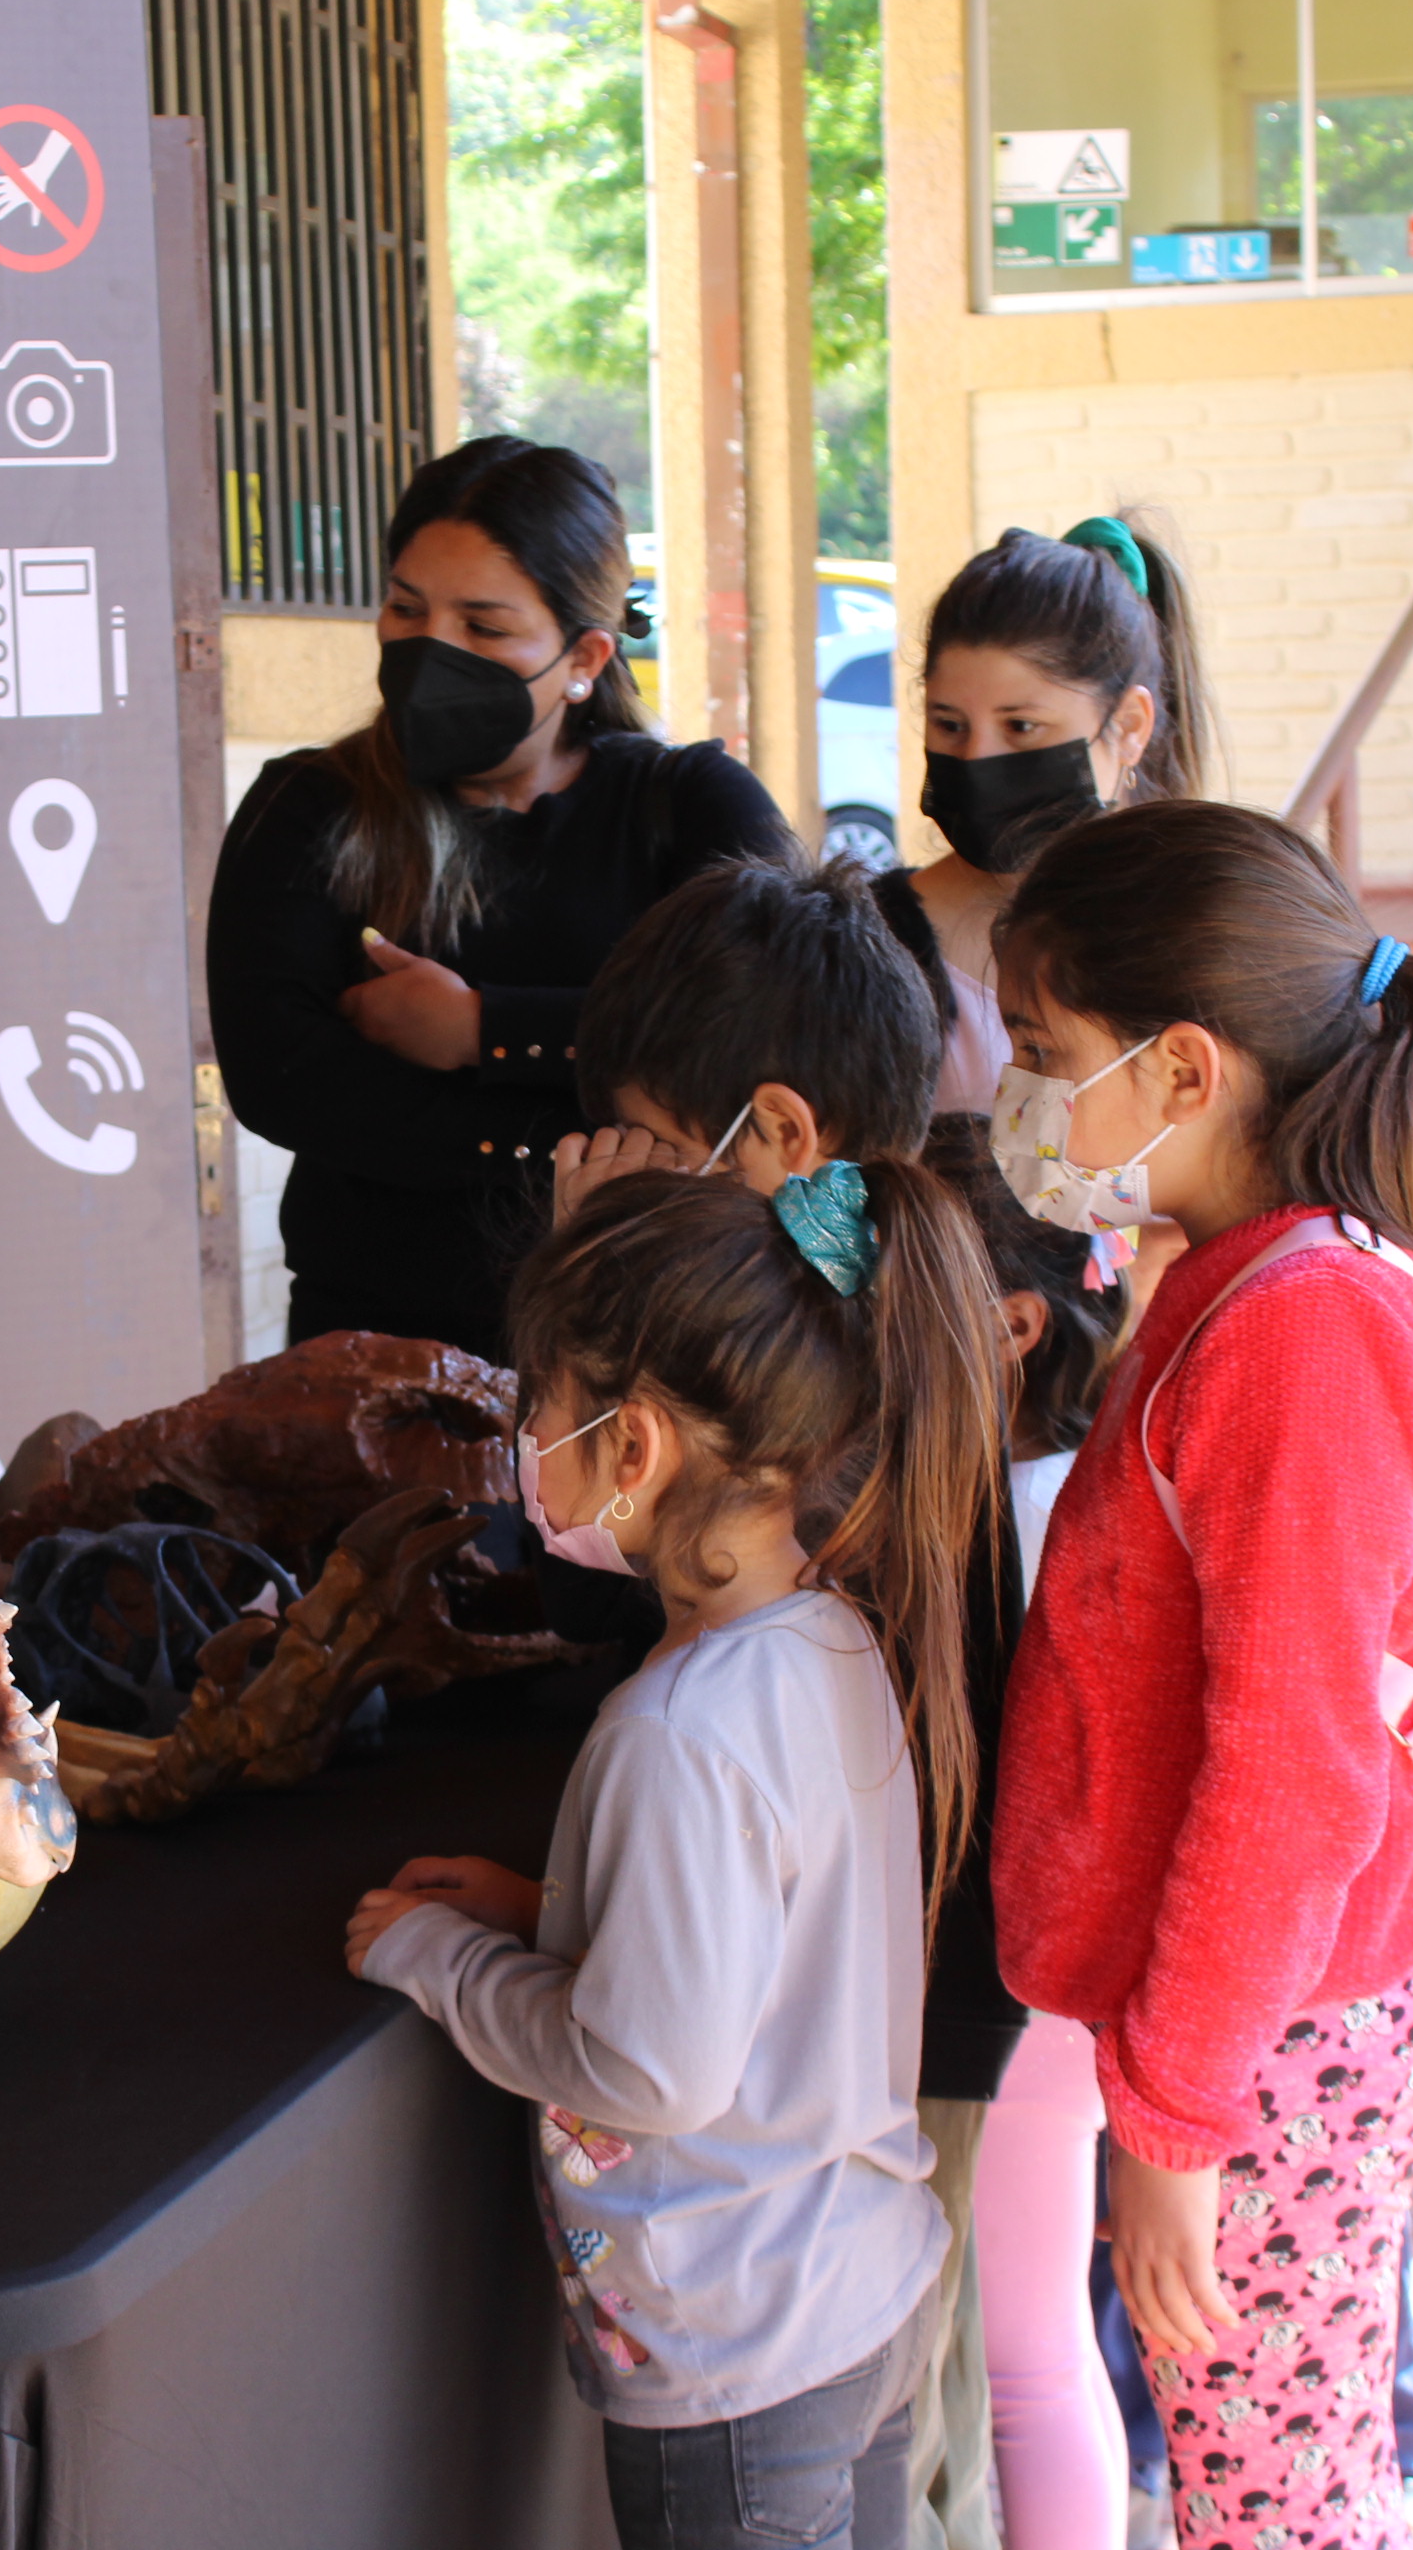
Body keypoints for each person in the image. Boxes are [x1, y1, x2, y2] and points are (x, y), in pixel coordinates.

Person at [987, 796, 1413, 2550]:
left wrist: (1173, 2120)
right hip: (1279, 2027)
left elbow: (1291, 1773)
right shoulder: (1265, 1281)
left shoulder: (1298, 1332)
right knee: (1289, 2477)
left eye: (1037, 1051)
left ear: (1177, 1072)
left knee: (1276, 2506)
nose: (1014, 1094)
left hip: (1277, 2047)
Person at [346, 1156, 1006, 2550]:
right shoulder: (832, 1641)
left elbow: (650, 2071)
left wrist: (442, 1960)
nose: (526, 1438)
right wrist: (554, 1913)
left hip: (740, 2371)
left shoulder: (672, 1731)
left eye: (543, 1404)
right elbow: (775, 1942)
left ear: (632, 1450)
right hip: (864, 2297)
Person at [567, 861, 1021, 2544]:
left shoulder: (810, 1392)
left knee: (913, 2457)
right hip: (883, 2023)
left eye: (631, 1148)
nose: (609, 1184)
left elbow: (609, 1572)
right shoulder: (893, 1309)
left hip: (879, 2047)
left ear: (765, 1135)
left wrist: (592, 1297)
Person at [207, 436, 790, 1360]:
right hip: (375, 1346)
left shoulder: (691, 808)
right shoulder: (308, 806)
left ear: (585, 656)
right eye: (406, 608)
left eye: (483, 627)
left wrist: (486, 1029)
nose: (430, 650)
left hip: (650, 1344)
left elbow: (770, 1039)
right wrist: (590, 1145)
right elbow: (283, 1080)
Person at [917, 1112, 1129, 2550]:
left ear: (1008, 1326)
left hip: (1024, 1993)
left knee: (1023, 2363)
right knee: (1036, 2348)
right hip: (1047, 1987)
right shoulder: (1065, 1494)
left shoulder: (1022, 1516)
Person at [886, 516, 1215, 1112]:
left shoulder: (1213, 932)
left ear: (1129, 728)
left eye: (1021, 726)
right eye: (950, 725)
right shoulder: (875, 947)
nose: (977, 758)